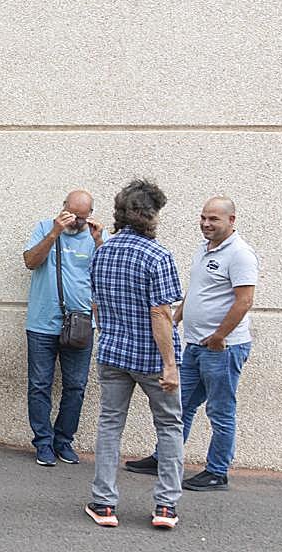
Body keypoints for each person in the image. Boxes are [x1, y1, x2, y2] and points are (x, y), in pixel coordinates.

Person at [125, 196, 258, 491]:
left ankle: (217, 472)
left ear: (231, 220)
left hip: (222, 349)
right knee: (178, 406)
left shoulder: (240, 254)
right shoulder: (204, 249)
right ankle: (164, 457)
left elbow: (244, 301)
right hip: (195, 345)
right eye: (203, 218)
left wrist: (219, 337)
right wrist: (174, 320)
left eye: (213, 219)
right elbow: (196, 292)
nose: (206, 224)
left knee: (220, 411)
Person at [85, 179, 184, 531]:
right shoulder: (158, 256)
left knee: (110, 424)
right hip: (152, 359)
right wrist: (170, 365)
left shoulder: (103, 252)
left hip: (113, 353)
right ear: (150, 215)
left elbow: (97, 304)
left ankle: (104, 504)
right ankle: (165, 506)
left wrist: (110, 333)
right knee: (169, 427)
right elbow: (161, 314)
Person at [22, 190, 105, 466]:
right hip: (42, 322)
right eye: (71, 214)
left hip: (80, 324)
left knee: (76, 386)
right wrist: (54, 233)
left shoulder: (95, 236)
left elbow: (107, 275)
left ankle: (64, 440)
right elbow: (30, 262)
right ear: (63, 208)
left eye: (82, 217)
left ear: (90, 214)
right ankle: (43, 443)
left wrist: (99, 241)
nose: (76, 221)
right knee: (39, 385)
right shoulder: (45, 228)